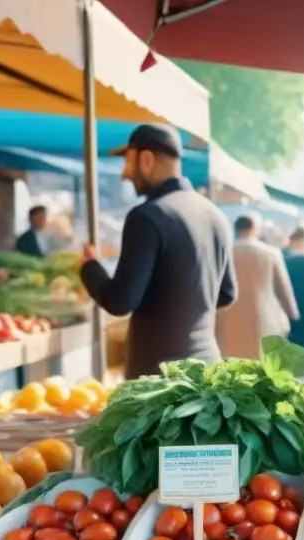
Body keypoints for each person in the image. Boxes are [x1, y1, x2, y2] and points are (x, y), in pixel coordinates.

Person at [79, 123, 237, 379]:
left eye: (128, 162)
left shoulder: (147, 217)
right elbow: (227, 294)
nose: (125, 174)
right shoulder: (215, 215)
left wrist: (89, 268)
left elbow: (120, 301)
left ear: (147, 159)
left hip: (158, 383)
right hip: (208, 374)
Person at [221, 214, 299, 359]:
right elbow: (282, 287)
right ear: (254, 228)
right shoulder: (271, 253)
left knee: (233, 362)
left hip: (229, 316)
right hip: (264, 315)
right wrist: (291, 312)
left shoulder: (224, 252)